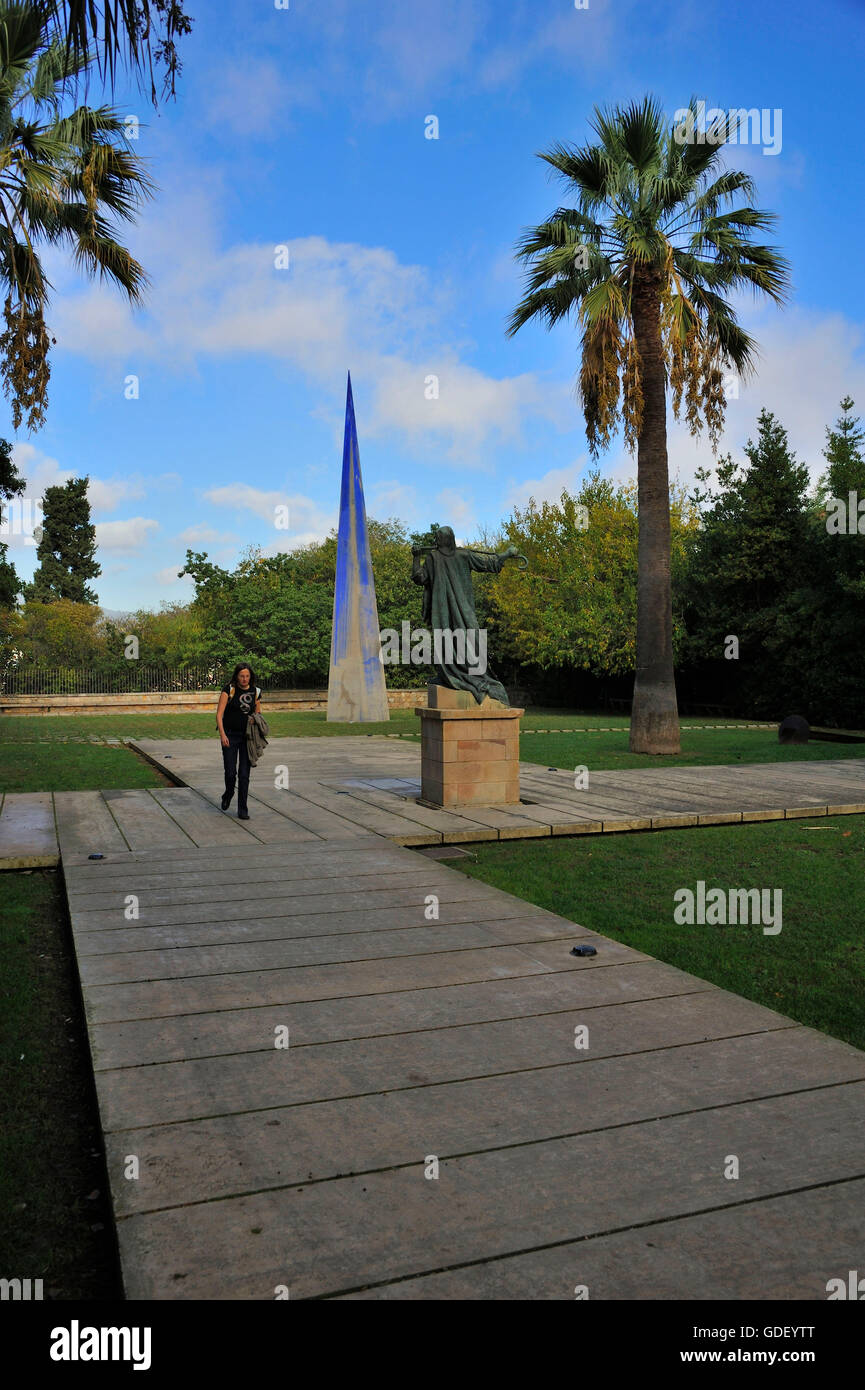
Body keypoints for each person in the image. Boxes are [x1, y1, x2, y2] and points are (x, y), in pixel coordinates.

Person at [216, 663, 261, 819]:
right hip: (229, 735)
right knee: (230, 773)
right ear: (237, 676)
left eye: (247, 676)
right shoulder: (228, 690)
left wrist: (254, 720)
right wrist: (222, 735)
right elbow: (219, 715)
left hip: (246, 738)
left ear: (250, 677)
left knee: (244, 774)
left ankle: (243, 809)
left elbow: (258, 714)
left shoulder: (255, 692)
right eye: (241, 676)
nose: (244, 679)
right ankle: (228, 794)